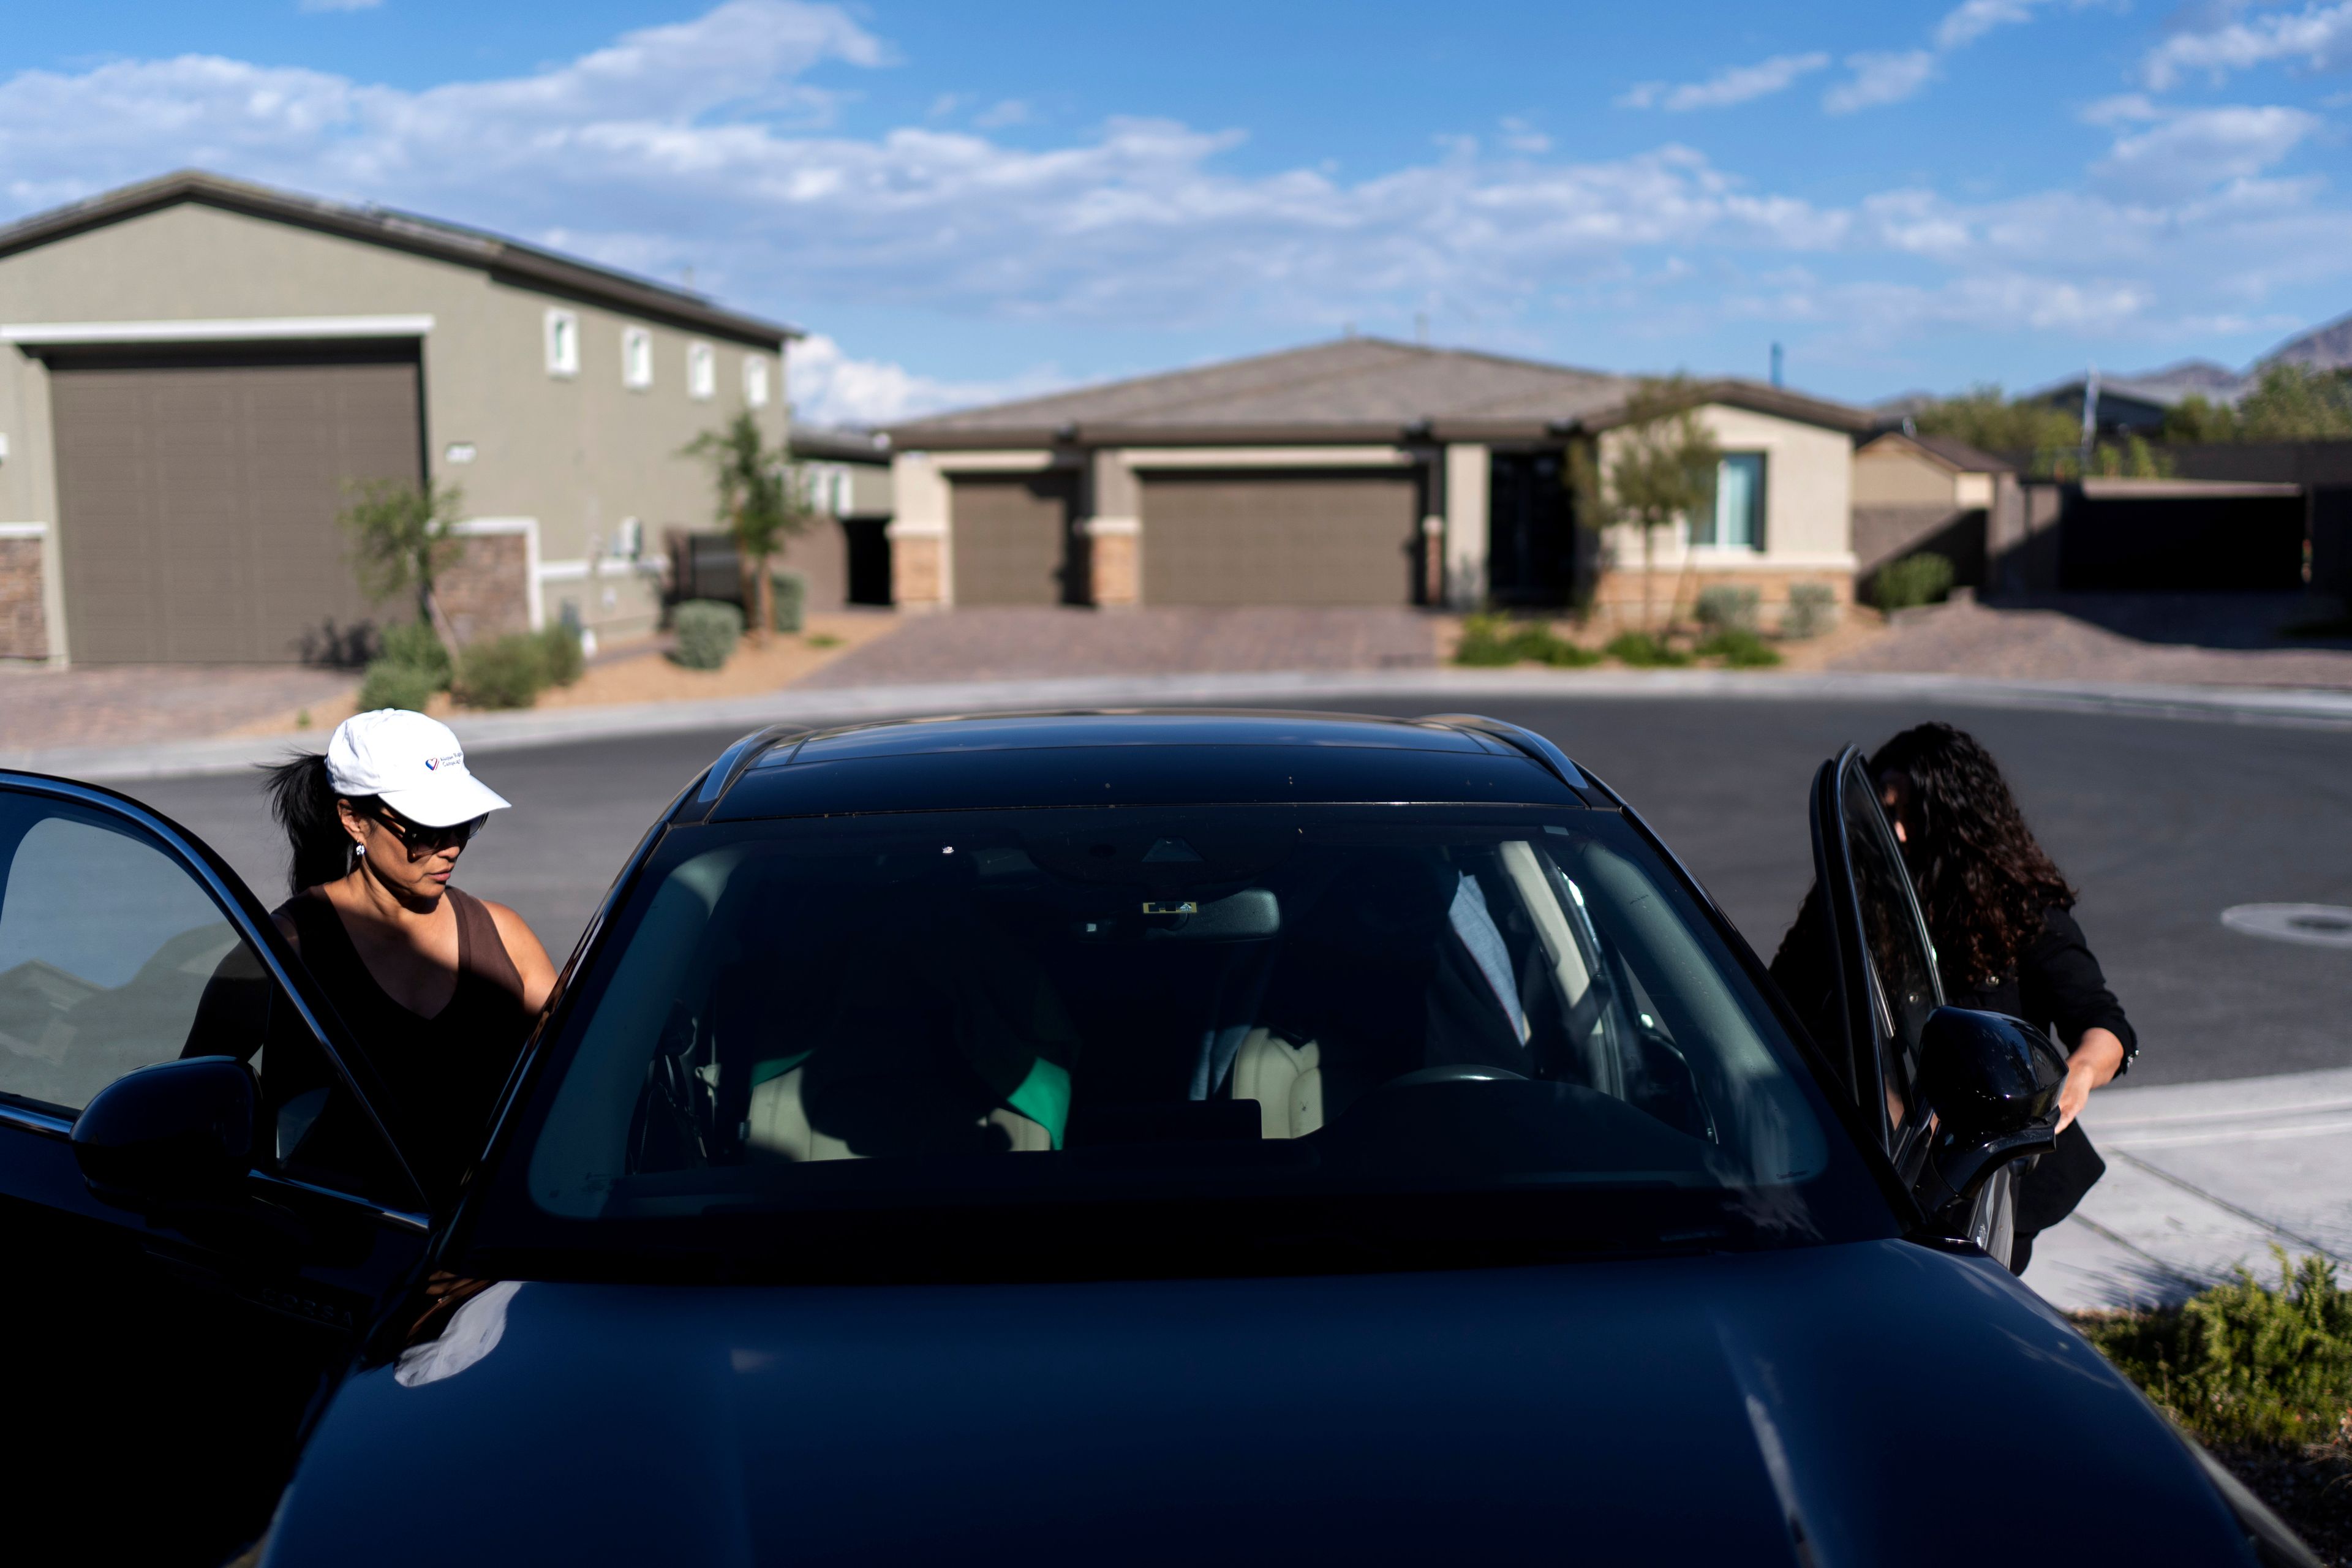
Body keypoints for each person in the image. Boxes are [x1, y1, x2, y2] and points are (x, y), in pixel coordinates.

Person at [1776, 722, 2134, 1274]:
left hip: (1987, 1174)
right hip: (1873, 1166)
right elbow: (1779, 1005)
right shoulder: (1852, 898)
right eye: (1883, 811)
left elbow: (2104, 1024)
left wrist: (2079, 1076)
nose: (1893, 834)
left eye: (1909, 815)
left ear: (1958, 824)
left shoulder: (2021, 909)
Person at [261, 709, 555, 1206]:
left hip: (490, 1246)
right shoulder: (287, 948)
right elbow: (196, 1094)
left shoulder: (506, 936)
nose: (451, 849)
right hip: (344, 1253)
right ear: (354, 819)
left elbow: (578, 1072)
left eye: (464, 823)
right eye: (426, 830)